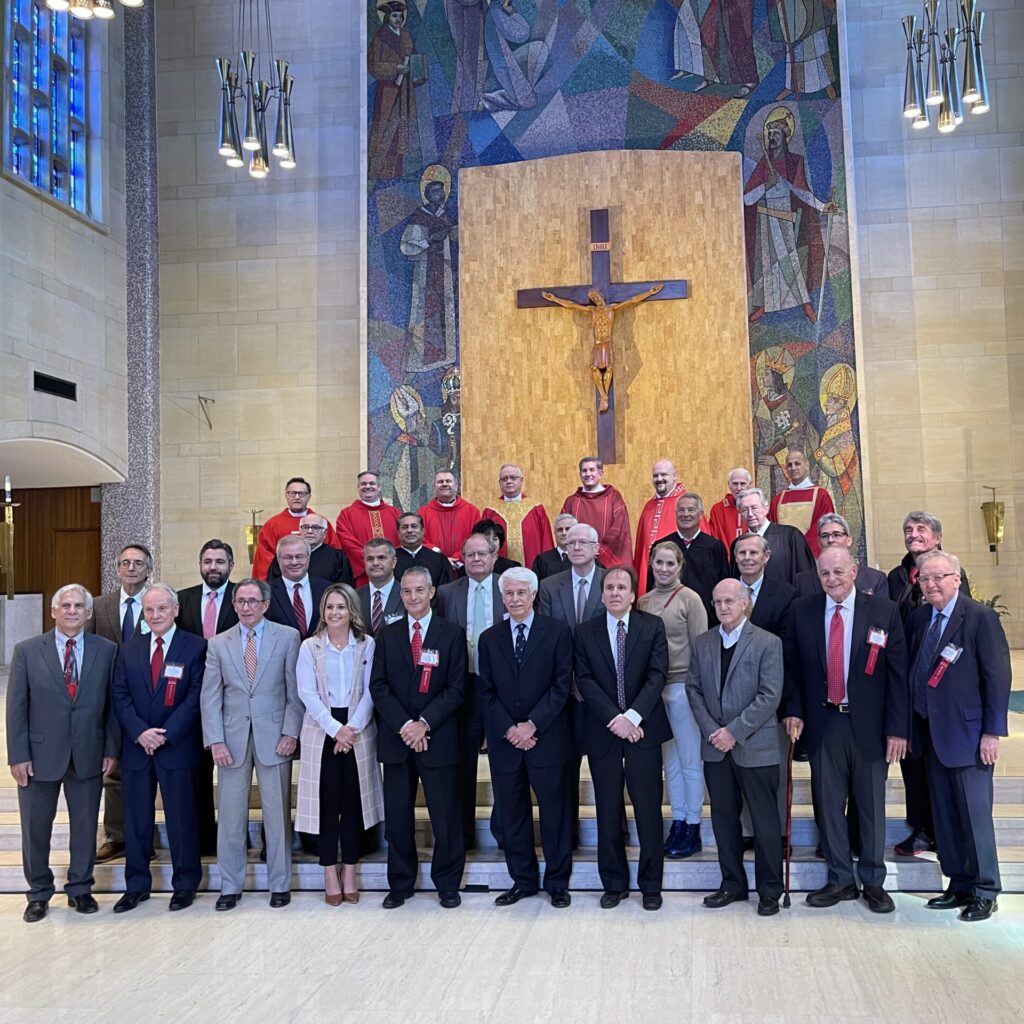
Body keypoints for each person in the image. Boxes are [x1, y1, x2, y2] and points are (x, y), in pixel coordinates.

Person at [782, 547, 909, 913]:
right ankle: (839, 878)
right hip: (824, 723)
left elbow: (898, 677)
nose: (832, 580)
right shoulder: (802, 611)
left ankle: (872, 880)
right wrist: (793, 710)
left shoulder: (883, 611)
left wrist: (898, 730)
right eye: (825, 574)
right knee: (828, 804)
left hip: (869, 726)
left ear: (854, 571)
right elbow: (793, 669)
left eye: (838, 572)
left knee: (870, 806)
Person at [907, 551, 1011, 922]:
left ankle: (986, 889)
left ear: (956, 577)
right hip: (930, 733)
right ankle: (959, 883)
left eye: (939, 577)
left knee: (974, 817)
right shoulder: (920, 618)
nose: (931, 584)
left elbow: (997, 678)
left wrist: (992, 732)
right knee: (946, 816)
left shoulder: (979, 618)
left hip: (968, 736)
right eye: (924, 579)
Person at [7, 585, 119, 923]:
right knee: (35, 828)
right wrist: (18, 756)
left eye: (79, 606)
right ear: (53, 612)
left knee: (85, 827)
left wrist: (111, 748)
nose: (72, 611)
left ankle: (80, 889)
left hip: (89, 752)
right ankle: (39, 893)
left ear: (88, 613)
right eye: (65, 605)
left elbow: (112, 707)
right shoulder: (27, 651)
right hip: (39, 757)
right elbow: (16, 709)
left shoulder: (107, 650)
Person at [200, 578, 303, 911]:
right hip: (231, 740)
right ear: (234, 604)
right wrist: (214, 739)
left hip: (275, 738)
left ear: (265, 604)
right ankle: (230, 886)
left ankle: (279, 884)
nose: (246, 607)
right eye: (241, 601)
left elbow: (294, 692)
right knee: (230, 817)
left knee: (276, 815)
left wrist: (291, 732)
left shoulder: (287, 637)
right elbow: (210, 696)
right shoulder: (218, 643)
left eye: (252, 601)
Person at [369, 567, 467, 908]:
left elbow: (457, 688)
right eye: (407, 591)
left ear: (431, 593)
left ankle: (447, 883)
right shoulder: (388, 634)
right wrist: (406, 727)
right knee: (398, 817)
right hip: (397, 741)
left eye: (419, 590)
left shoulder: (451, 634)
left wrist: (423, 723)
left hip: (437, 737)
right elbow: (378, 687)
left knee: (445, 816)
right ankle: (400, 883)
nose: (412, 597)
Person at [574, 565, 670, 911]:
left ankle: (651, 885)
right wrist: (615, 719)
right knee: (608, 810)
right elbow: (584, 680)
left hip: (643, 729)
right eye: (609, 587)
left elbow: (658, 675)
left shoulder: (652, 626)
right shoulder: (585, 632)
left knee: (647, 810)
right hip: (604, 731)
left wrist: (632, 717)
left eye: (621, 587)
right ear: (602, 594)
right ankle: (613, 882)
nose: (615, 592)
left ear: (633, 595)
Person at [687, 579, 784, 916]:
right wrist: (715, 731)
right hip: (715, 748)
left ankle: (770, 889)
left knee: (765, 821)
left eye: (730, 600)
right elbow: (693, 690)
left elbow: (770, 695)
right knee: (724, 820)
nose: (723, 607)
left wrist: (734, 731)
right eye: (717, 602)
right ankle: (732, 884)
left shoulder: (768, 643)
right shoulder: (702, 644)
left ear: (745, 603)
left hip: (755, 746)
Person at [478, 568, 574, 907]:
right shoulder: (490, 639)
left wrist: (531, 725)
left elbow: (562, 685)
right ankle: (523, 881)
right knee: (512, 814)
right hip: (506, 743)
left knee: (554, 814)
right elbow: (486, 692)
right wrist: (511, 729)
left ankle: (557, 883)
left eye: (522, 593)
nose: (515, 599)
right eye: (510, 593)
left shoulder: (557, 632)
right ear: (502, 597)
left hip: (546, 739)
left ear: (533, 595)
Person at [111, 584, 207, 913]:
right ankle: (136, 886)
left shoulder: (195, 647)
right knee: (137, 821)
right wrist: (141, 732)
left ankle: (185, 884)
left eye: (162, 609)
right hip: (138, 749)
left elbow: (196, 697)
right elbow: (120, 696)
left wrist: (165, 734)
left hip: (176, 747)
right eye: (149, 610)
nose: (155, 615)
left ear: (176, 609)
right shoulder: (128, 649)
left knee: (182, 819)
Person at [887, 510, 972, 858]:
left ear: (937, 537)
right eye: (908, 529)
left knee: (940, 763)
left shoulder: (952, 572)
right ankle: (920, 827)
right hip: (908, 677)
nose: (913, 534)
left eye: (921, 529)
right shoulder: (896, 575)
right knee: (913, 759)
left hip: (944, 683)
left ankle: (944, 830)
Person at [296, 584, 385, 905]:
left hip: (358, 729)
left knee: (353, 804)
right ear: (323, 612)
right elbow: (306, 692)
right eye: (330, 607)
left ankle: (350, 869)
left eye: (341, 607)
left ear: (352, 611)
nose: (335, 613)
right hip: (322, 729)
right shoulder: (310, 647)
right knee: (326, 804)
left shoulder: (367, 645)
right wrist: (336, 730)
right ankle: (329, 872)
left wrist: (352, 728)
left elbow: (372, 690)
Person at [637, 541, 707, 860]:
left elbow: (701, 649)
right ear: (650, 564)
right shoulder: (643, 601)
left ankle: (693, 825)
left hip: (682, 688)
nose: (664, 569)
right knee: (671, 764)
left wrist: (696, 693)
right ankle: (677, 820)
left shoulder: (690, 600)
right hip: (654, 692)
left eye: (670, 563)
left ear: (680, 567)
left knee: (690, 760)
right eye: (659, 563)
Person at [538, 522, 607, 847]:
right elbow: (550, 639)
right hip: (563, 694)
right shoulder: (550, 586)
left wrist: (589, 683)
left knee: (606, 768)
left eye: (584, 541)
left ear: (596, 548)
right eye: (570, 541)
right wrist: (570, 681)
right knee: (564, 769)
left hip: (602, 694)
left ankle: (614, 829)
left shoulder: (612, 582)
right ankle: (569, 832)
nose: (576, 546)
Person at [436, 533, 504, 850]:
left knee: (505, 761)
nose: (476, 559)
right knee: (462, 763)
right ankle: (463, 834)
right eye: (470, 554)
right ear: (462, 559)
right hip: (462, 686)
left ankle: (504, 830)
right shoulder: (447, 593)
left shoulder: (509, 587)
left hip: (501, 687)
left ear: (494, 556)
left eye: (482, 554)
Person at [86, 543, 151, 864]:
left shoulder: (158, 603)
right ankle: (116, 836)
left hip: (151, 700)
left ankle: (146, 834)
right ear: (117, 569)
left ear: (148, 569)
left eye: (138, 563)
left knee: (152, 771)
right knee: (113, 771)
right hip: (111, 701)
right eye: (125, 562)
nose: (131, 568)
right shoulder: (98, 606)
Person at [174, 538, 238, 855]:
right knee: (197, 775)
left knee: (235, 777)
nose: (213, 567)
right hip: (190, 702)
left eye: (220, 562)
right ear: (200, 565)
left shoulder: (244, 598)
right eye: (208, 561)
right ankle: (205, 841)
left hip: (235, 702)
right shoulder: (181, 600)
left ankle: (235, 836)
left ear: (231, 565)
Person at [651, 492, 730, 625]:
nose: (685, 514)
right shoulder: (662, 546)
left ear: (700, 515)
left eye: (691, 510)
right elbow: (652, 584)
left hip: (708, 620)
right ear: (675, 514)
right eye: (681, 510)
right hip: (668, 620)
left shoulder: (715, 547)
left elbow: (724, 584)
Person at [252, 477, 340, 580]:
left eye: (302, 493)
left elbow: (334, 555)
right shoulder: (272, 525)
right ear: (286, 495)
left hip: (319, 580)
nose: (297, 497)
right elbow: (264, 559)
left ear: (309, 496)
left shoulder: (321, 523)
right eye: (292, 493)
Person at [733, 487, 814, 585]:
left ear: (766, 509)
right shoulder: (738, 544)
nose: (750, 514)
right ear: (740, 514)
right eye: (745, 510)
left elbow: (806, 576)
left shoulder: (790, 536)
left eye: (754, 508)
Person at [334, 471, 401, 588]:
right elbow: (347, 542)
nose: (368, 487)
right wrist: (370, 560)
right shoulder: (347, 514)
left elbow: (402, 540)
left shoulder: (394, 513)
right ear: (358, 487)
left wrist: (389, 562)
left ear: (379, 487)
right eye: (363, 484)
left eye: (372, 483)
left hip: (393, 573)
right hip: (363, 574)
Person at [561, 456, 632, 565]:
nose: (588, 474)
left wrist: (598, 549)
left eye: (592, 470)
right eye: (584, 471)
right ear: (580, 475)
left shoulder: (613, 497)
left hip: (607, 559)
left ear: (601, 473)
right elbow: (564, 531)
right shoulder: (572, 501)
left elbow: (619, 527)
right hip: (578, 560)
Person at [794, 513, 886, 597]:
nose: (830, 540)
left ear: (849, 540)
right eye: (825, 536)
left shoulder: (875, 579)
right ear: (819, 542)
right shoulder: (802, 581)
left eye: (837, 535)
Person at [481, 463, 554, 569]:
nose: (509, 481)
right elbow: (484, 544)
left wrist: (547, 566)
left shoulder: (536, 508)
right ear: (499, 483)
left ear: (521, 480)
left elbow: (546, 540)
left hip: (532, 568)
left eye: (513, 478)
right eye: (504, 479)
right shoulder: (490, 511)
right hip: (499, 571)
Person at [634, 459, 689, 596]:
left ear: (674, 476)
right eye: (655, 476)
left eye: (664, 475)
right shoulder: (649, 506)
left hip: (677, 578)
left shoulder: (686, 505)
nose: (659, 479)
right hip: (650, 578)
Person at [767, 447, 834, 558]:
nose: (793, 468)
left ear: (806, 466)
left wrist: (801, 551)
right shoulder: (778, 500)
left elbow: (825, 528)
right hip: (784, 557)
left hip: (811, 557)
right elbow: (772, 531)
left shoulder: (821, 495)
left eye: (797, 463)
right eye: (789, 465)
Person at [265, 535, 331, 640]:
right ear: (278, 560)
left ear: (308, 557)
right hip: (282, 655)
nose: (294, 562)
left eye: (299, 556)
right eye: (288, 557)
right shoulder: (265, 592)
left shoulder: (327, 589)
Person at [419, 470, 481, 571]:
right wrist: (441, 558)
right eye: (440, 482)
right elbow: (419, 540)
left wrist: (458, 557)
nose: (444, 484)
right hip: (434, 566)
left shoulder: (472, 512)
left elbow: (476, 539)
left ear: (456, 486)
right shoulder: (422, 513)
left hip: (464, 567)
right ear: (434, 487)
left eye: (448, 481)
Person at [268, 514, 354, 586]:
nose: (309, 531)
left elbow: (343, 589)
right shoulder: (285, 554)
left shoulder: (337, 557)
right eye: (305, 527)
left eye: (315, 527)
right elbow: (274, 585)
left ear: (324, 533)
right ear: (300, 531)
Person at [395, 511, 454, 588]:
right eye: (405, 527)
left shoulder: (439, 559)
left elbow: (446, 591)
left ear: (422, 530)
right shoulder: (391, 559)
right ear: (398, 532)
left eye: (414, 526)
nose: (409, 530)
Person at [358, 538, 403, 636]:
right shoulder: (354, 597)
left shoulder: (407, 594)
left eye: (381, 558)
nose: (375, 563)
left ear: (394, 562)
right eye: (370, 559)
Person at [707, 467, 752, 549]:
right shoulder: (718, 509)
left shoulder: (757, 508)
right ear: (728, 484)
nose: (738, 488)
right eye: (735, 484)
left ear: (750, 484)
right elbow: (714, 539)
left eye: (742, 484)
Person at [531, 513, 577, 582]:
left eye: (568, 529)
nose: (564, 533)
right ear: (554, 533)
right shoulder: (542, 560)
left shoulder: (585, 558)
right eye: (560, 530)